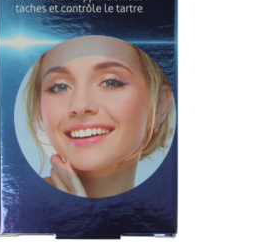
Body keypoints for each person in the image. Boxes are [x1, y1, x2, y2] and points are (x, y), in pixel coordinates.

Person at [24, 36, 175, 198]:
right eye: (60, 87)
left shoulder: (165, 206)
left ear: (159, 105)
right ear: (39, 108)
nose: (80, 105)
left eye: (110, 82)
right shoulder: (19, 202)